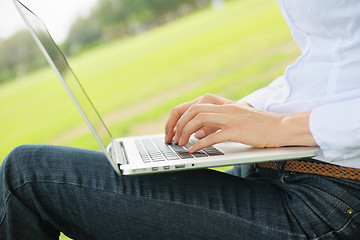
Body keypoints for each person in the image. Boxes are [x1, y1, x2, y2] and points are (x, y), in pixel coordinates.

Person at [1, 0, 360, 239]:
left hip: (328, 200)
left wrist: (280, 127)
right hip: (281, 166)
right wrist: (247, 110)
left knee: (28, 175)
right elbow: (329, 59)